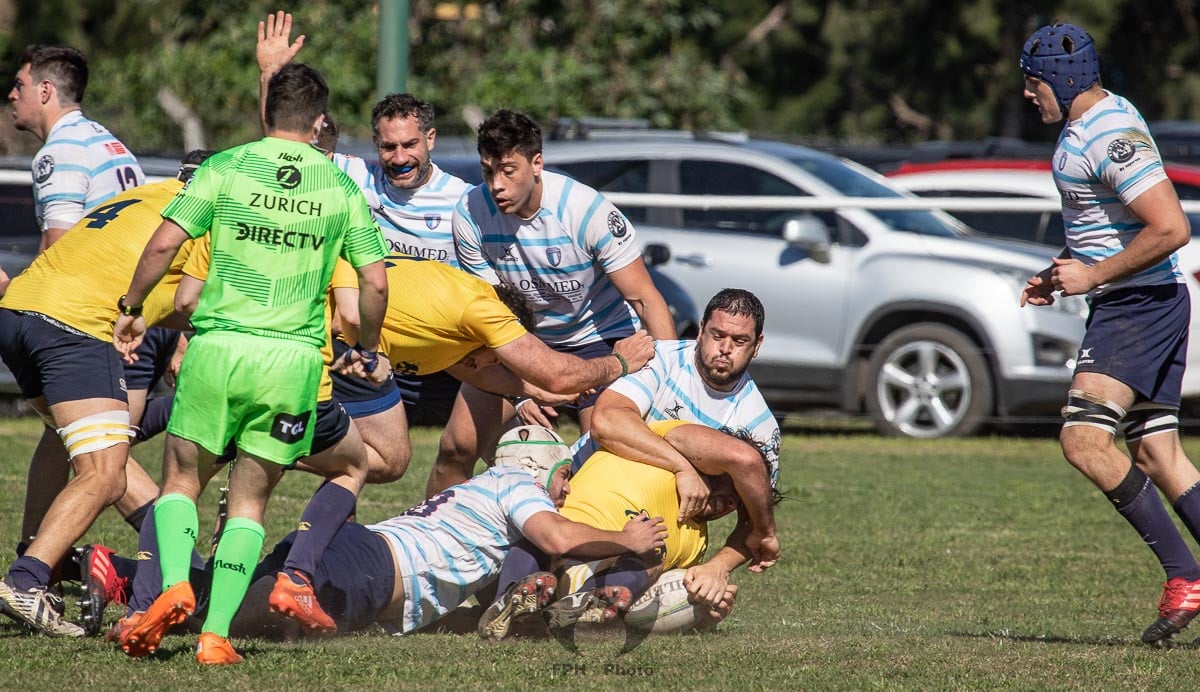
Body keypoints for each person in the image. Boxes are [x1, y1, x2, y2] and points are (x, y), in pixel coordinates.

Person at [111, 63, 389, 665]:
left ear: (266, 114)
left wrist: (132, 306)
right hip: (290, 364)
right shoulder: (341, 189)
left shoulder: (225, 167)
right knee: (250, 505)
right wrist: (367, 344)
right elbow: (373, 282)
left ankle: (176, 582)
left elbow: (164, 242)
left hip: (216, 351)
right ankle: (214, 637)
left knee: (180, 484)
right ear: (319, 123)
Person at [86, 427, 668, 641]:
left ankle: (112, 569)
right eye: (564, 475)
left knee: (223, 597)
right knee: (238, 621)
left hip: (352, 552)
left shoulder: (478, 491)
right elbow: (561, 537)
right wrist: (627, 540)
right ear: (540, 465)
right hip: (367, 567)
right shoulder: (519, 486)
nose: (565, 489)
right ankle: (137, 589)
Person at [1018, 23, 1200, 646]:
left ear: (1063, 81)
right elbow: (1105, 222)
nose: (1027, 93)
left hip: (1138, 305)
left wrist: (1093, 274)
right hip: (1139, 300)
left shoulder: (1110, 133)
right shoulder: (1088, 125)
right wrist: (1059, 273)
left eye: (1033, 81)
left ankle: (1185, 575)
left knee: (1084, 441)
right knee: (1157, 453)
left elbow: (1171, 227)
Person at [0, 153, 209, 637]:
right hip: (74, 326)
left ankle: (39, 562)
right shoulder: (207, 214)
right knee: (106, 474)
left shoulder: (142, 195)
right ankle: (26, 579)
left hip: (18, 312)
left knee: (65, 440)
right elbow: (191, 300)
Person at [433, 108, 677, 495]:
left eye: (508, 170)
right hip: (523, 343)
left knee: (601, 458)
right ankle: (435, 544)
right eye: (487, 171)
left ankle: (595, 550)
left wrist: (671, 382)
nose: (497, 184)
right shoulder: (470, 214)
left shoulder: (586, 210)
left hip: (600, 338)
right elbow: (486, 315)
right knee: (456, 446)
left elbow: (646, 300)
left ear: (537, 163)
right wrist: (521, 387)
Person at [256, 11, 472, 426]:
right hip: (370, 350)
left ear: (430, 138)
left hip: (440, 357)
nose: (399, 158)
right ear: (375, 143)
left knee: (453, 455)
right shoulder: (357, 176)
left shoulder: (464, 202)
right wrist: (270, 75)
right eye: (388, 147)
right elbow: (282, 144)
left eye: (410, 144)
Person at [479, 419, 766, 641]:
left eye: (733, 502)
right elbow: (610, 420)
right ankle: (508, 602)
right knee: (544, 534)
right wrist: (684, 469)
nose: (723, 502)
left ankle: (582, 609)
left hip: (589, 580)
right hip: (556, 544)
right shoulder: (661, 447)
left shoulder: (696, 542)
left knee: (653, 554)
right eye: (723, 482)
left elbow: (662, 591)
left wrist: (705, 609)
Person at [585, 288, 781, 567]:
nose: (725, 349)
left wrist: (718, 568)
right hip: (587, 487)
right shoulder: (660, 359)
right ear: (701, 330)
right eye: (718, 335)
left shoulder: (759, 424)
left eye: (740, 340)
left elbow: (757, 519)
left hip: (656, 527)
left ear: (757, 344)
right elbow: (606, 422)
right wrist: (683, 468)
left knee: (704, 604)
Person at [8, 45, 145, 252]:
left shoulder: (62, 149)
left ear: (45, 90)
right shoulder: (108, 142)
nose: (12, 95)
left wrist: (8, 285)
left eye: (20, 85)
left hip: (93, 282)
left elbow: (58, 252)